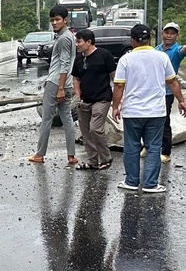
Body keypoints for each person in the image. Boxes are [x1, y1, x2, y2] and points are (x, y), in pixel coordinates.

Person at [112, 22, 186, 193]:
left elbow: (118, 86)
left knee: (131, 146)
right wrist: (181, 101)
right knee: (153, 147)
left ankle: (131, 181)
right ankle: (150, 184)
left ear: (132, 41)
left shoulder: (126, 59)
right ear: (150, 39)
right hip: (156, 112)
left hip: (132, 112)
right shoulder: (161, 57)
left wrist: (115, 107)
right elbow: (172, 82)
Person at [28, 5, 77, 165]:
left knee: (47, 119)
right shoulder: (69, 36)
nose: (54, 23)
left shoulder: (63, 39)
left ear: (65, 20)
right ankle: (71, 155)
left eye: (57, 20)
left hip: (57, 83)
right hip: (66, 83)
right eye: (52, 20)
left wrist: (60, 88)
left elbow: (63, 64)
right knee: (67, 118)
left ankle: (39, 154)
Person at [71, 28, 115, 170]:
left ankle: (106, 158)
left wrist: (118, 97)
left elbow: (114, 75)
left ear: (89, 42)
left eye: (79, 41)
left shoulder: (104, 55)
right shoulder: (78, 59)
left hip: (102, 98)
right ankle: (92, 161)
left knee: (95, 128)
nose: (77, 44)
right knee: (85, 132)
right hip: (85, 100)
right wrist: (78, 96)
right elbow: (76, 79)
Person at [155, 21, 186, 162]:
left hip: (167, 92)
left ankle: (166, 152)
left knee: (164, 120)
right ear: (162, 33)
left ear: (177, 36)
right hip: (153, 90)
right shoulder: (156, 49)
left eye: (173, 33)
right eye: (167, 32)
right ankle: (149, 147)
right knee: (149, 120)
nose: (169, 36)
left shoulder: (177, 51)